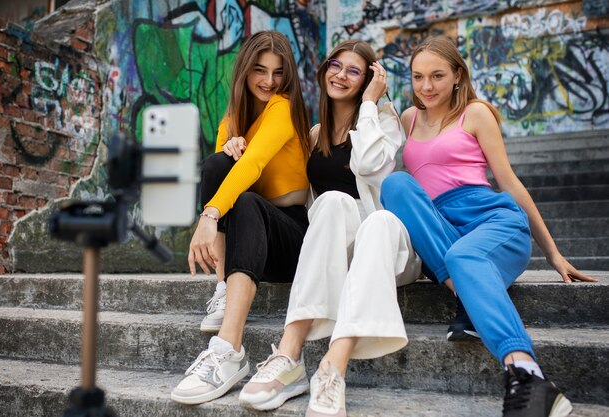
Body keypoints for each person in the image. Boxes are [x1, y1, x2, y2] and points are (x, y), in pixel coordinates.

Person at [380, 35, 598, 417]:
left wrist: (553, 253)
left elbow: (510, 183)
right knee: (396, 184)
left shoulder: (476, 113)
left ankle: (528, 375)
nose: (426, 87)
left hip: (492, 222)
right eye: (417, 77)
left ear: (457, 76)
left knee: (465, 256)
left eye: (437, 76)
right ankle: (468, 290)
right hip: (441, 233)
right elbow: (366, 145)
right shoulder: (409, 119)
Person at [237, 40, 422, 417]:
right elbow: (287, 185)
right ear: (324, 70)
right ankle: (289, 355)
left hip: (386, 248)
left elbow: (371, 166)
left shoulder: (385, 120)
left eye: (354, 71)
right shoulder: (316, 134)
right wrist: (235, 140)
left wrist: (371, 102)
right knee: (333, 201)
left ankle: (332, 368)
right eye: (336, 65)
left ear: (369, 78)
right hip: (340, 247)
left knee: (381, 221)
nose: (341, 75)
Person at [170, 30, 311, 405]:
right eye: (260, 70)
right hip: (252, 242)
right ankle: (223, 287)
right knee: (218, 163)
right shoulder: (232, 117)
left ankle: (229, 351)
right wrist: (230, 146)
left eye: (278, 73)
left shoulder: (283, 107)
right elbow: (222, 174)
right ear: (245, 71)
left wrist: (208, 216)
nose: (268, 81)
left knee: (245, 200)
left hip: (291, 236)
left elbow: (254, 164)